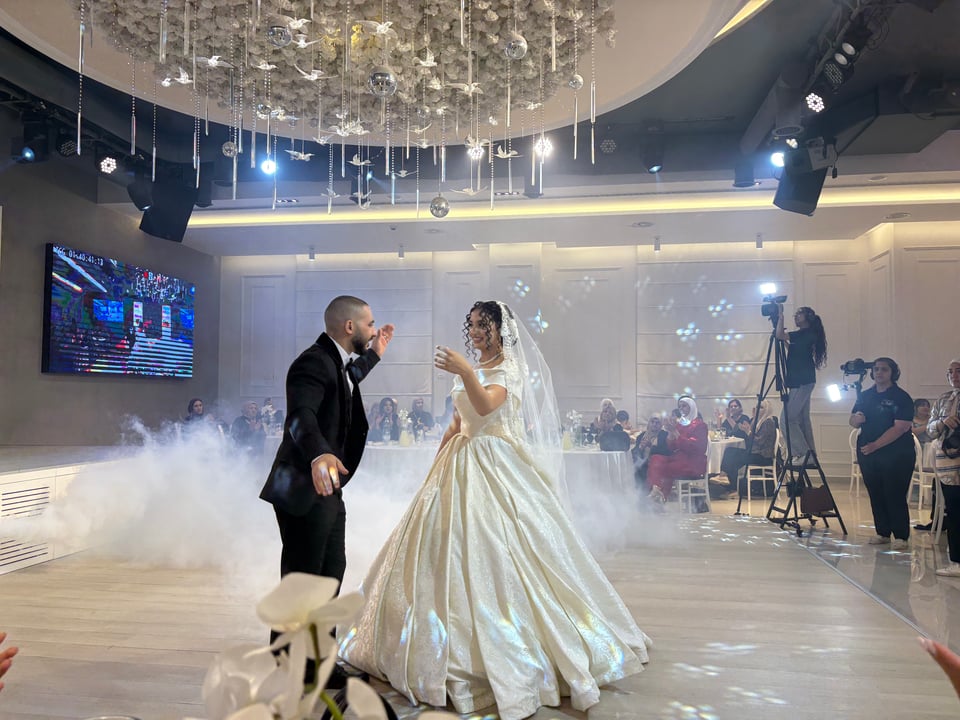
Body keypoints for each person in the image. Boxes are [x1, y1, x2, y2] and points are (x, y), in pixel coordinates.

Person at [340, 301, 650, 720]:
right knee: (439, 551)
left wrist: (465, 372)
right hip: (460, 458)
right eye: (471, 325)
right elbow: (458, 422)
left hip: (496, 462)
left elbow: (486, 407)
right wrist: (436, 464)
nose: (475, 331)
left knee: (501, 548)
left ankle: (513, 644)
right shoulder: (474, 366)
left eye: (482, 325)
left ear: (499, 329)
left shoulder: (510, 369)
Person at [259, 295, 394, 683]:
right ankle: (298, 663)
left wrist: (376, 354)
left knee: (329, 572)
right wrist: (319, 453)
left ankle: (310, 659)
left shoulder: (337, 362)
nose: (373, 329)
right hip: (304, 486)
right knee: (306, 578)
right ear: (350, 327)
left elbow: (349, 380)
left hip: (326, 486)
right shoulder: (312, 363)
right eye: (370, 324)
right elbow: (300, 416)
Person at [850, 357, 915, 549]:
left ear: (893, 372)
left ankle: (901, 535)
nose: (879, 372)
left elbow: (901, 427)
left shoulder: (901, 397)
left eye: (884, 369)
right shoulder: (865, 395)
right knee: (875, 492)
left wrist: (875, 445)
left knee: (894, 492)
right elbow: (852, 421)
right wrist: (855, 419)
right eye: (876, 369)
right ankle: (883, 532)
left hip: (896, 453)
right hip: (869, 453)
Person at [775, 305, 827, 463]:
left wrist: (780, 316)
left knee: (786, 420)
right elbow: (794, 350)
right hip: (804, 381)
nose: (796, 317)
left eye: (799, 314)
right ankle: (811, 454)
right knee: (803, 420)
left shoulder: (804, 334)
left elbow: (779, 335)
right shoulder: (808, 335)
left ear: (807, 318)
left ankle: (804, 454)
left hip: (800, 382)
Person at [928, 360, 960, 576]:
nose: (954, 375)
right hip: (948, 464)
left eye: (958, 371)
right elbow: (930, 430)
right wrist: (942, 423)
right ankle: (956, 560)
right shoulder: (943, 399)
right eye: (950, 372)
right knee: (955, 512)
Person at [646, 396, 708, 504]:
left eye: (684, 406)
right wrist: (670, 433)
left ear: (692, 407)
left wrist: (675, 433)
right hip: (678, 459)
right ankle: (656, 490)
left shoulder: (700, 425)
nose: (681, 409)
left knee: (664, 468)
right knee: (655, 458)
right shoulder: (680, 425)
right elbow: (672, 447)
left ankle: (660, 496)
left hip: (693, 463)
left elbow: (696, 447)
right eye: (680, 407)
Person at [720, 400, 778, 497]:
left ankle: (729, 484)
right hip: (755, 453)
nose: (758, 409)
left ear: (767, 410)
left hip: (763, 456)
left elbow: (760, 441)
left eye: (761, 408)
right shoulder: (758, 421)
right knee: (730, 451)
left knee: (733, 457)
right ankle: (725, 478)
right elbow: (750, 437)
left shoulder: (768, 422)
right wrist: (751, 424)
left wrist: (748, 432)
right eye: (757, 407)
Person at [632, 415, 670, 488]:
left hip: (658, 464)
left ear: (661, 425)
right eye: (652, 422)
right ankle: (639, 492)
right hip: (643, 462)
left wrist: (650, 446)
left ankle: (652, 491)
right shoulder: (641, 436)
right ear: (649, 423)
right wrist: (640, 448)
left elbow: (666, 451)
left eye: (657, 423)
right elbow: (634, 451)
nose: (654, 424)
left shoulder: (664, 435)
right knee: (637, 465)